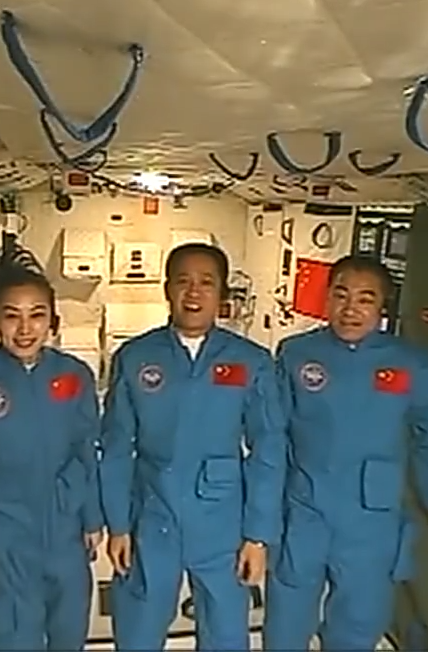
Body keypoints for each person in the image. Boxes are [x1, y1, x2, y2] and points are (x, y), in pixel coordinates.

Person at [262, 255, 428, 652]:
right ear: (327, 298)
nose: (350, 309)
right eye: (341, 295)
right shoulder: (297, 353)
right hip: (304, 507)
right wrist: (264, 510)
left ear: (382, 307)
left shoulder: (411, 363)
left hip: (371, 515)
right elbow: (273, 433)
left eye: (365, 299)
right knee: (287, 616)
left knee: (359, 619)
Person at [99, 243, 288, 652]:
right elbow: (115, 447)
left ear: (222, 294)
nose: (194, 292)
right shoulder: (136, 357)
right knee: (138, 632)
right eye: (183, 281)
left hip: (224, 524)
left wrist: (258, 536)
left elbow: (268, 451)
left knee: (226, 634)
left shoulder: (250, 361)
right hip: (153, 517)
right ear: (167, 289)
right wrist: (118, 525)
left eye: (206, 283)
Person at [0, 266, 104, 651]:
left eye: (37, 314)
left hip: (66, 537)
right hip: (5, 540)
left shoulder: (74, 376)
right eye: (12, 315)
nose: (25, 328)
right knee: (12, 639)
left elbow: (87, 449)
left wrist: (92, 518)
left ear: (52, 319)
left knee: (69, 634)